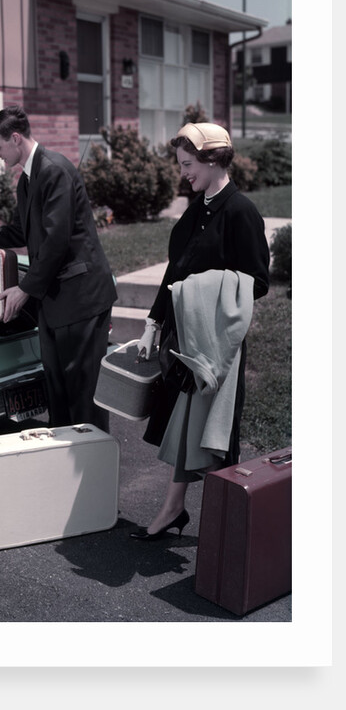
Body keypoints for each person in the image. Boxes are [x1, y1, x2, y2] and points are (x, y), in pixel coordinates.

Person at [130, 122, 270, 541]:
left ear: (212, 160)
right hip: (184, 338)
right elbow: (175, 272)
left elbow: (258, 281)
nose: (183, 173)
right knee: (187, 422)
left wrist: (202, 290)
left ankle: (230, 531)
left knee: (216, 434)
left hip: (215, 341)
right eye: (181, 165)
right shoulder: (198, 208)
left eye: (188, 164)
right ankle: (174, 509)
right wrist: (153, 322)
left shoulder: (241, 211)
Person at [0, 105, 117, 430]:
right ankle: (64, 454)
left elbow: (56, 242)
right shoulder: (27, 179)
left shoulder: (54, 170)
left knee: (82, 396)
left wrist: (24, 289)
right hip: (55, 299)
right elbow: (23, 232)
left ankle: (93, 459)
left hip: (80, 299)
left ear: (15, 138)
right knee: (58, 392)